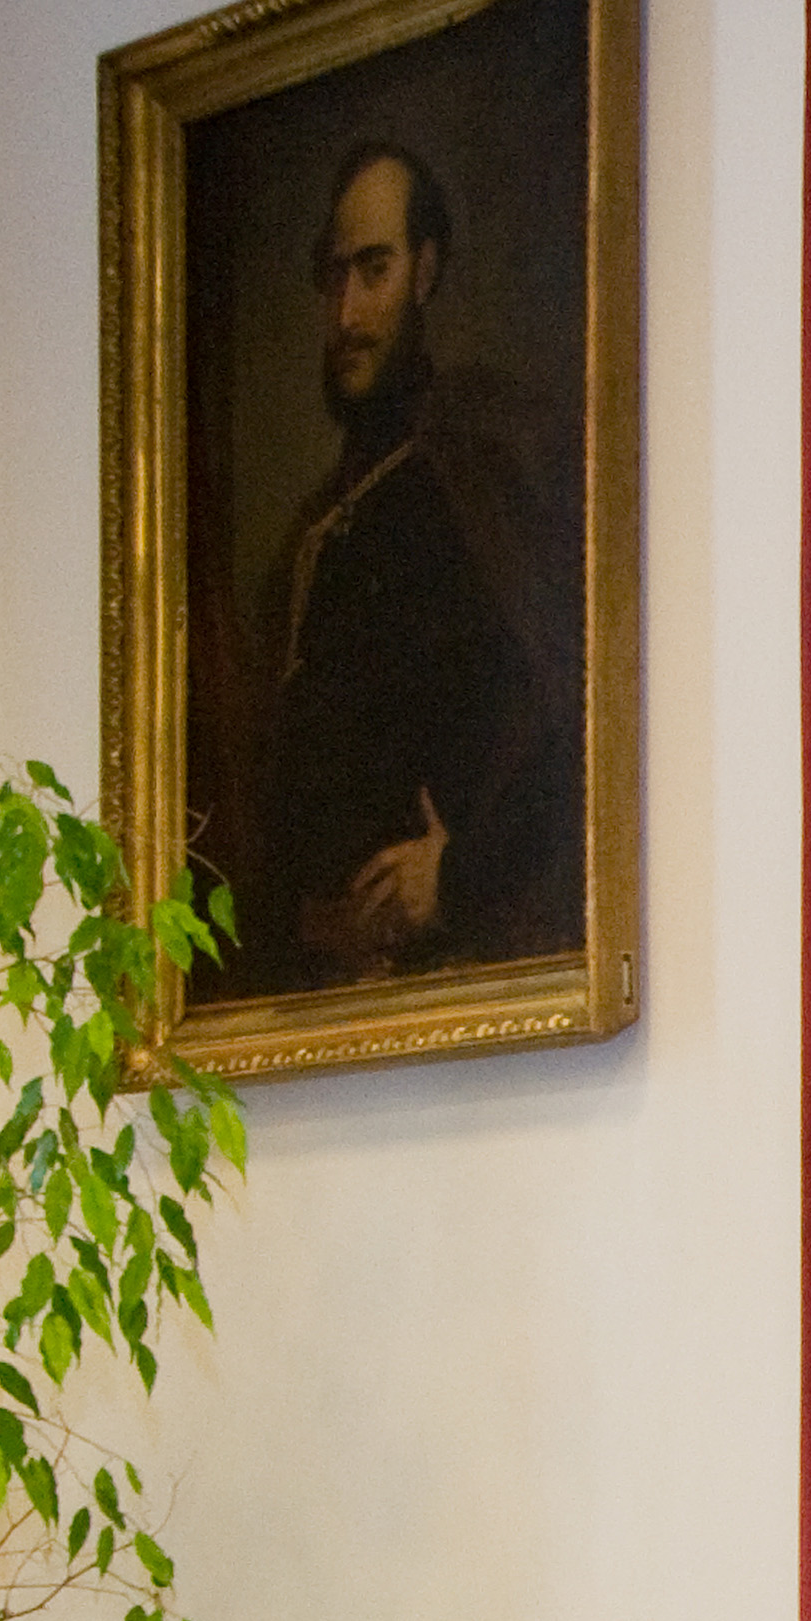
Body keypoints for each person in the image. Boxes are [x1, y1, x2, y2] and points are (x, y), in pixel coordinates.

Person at [221, 140, 578, 989]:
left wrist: (454, 877)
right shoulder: (317, 527)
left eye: (374, 270)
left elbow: (577, 734)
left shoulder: (485, 467)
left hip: (453, 978)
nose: (346, 312)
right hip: (322, 992)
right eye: (333, 276)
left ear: (425, 271)